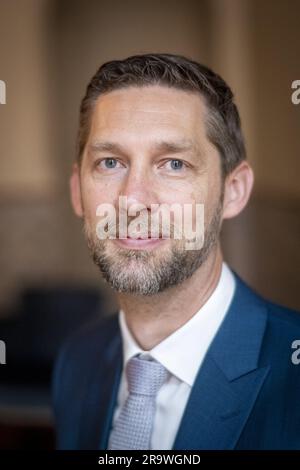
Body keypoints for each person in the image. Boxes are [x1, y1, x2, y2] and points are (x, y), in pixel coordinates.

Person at [52, 53, 300, 450]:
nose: (133, 201)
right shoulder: (75, 361)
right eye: (110, 162)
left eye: (174, 164)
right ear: (78, 191)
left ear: (233, 191)